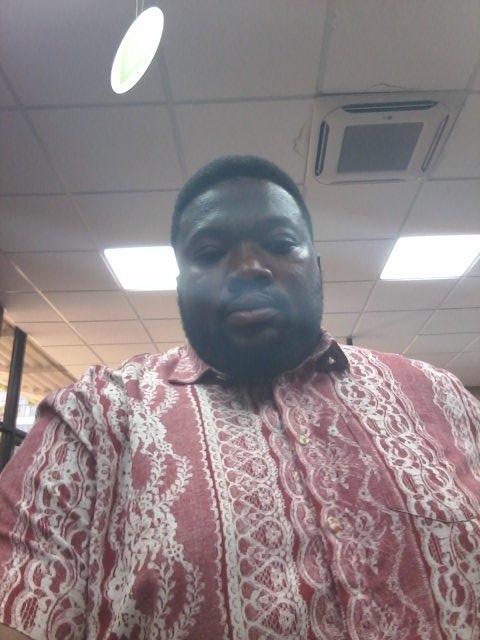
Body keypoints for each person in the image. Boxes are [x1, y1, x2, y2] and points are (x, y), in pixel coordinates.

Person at [0, 155, 479, 640]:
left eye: (280, 244)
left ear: (316, 267)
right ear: (180, 285)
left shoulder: (442, 397)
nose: (250, 268)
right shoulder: (92, 420)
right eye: (210, 252)